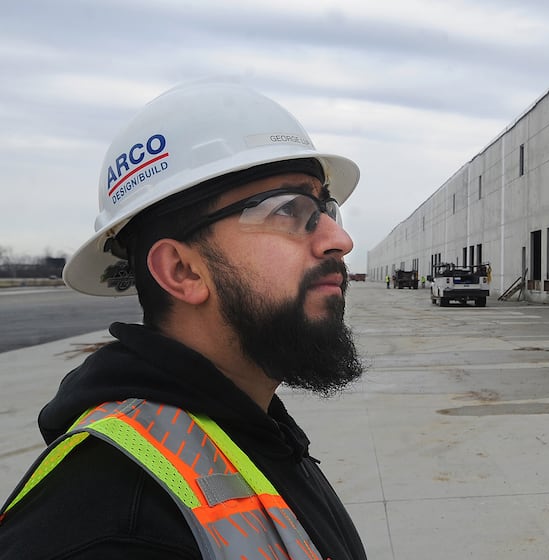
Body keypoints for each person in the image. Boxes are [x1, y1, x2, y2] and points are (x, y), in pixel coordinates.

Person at [0, 81, 367, 559]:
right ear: (182, 271)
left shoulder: (244, 425)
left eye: (325, 208)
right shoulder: (113, 528)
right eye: (288, 210)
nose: (340, 238)